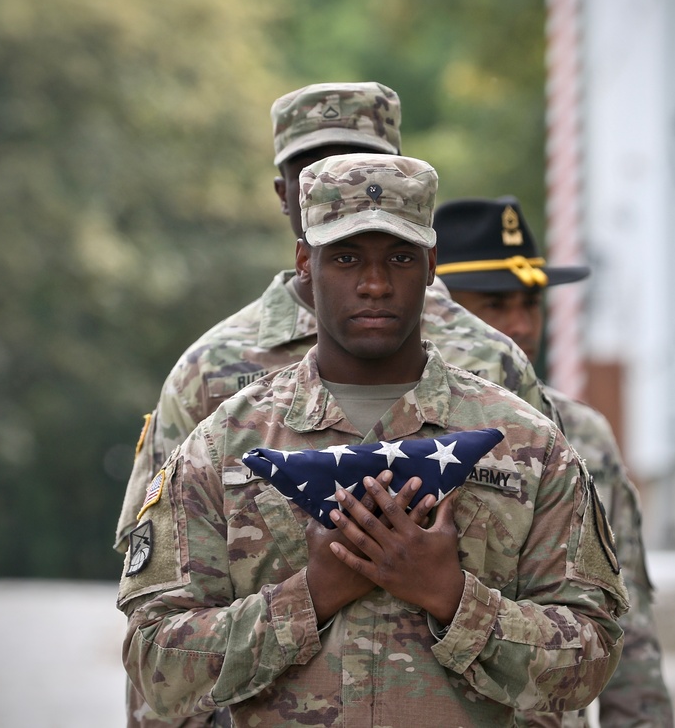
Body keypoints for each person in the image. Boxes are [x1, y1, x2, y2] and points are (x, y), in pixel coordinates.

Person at [117, 153, 628, 726]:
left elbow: (592, 657)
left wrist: (452, 598)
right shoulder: (223, 448)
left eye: (401, 257)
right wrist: (307, 598)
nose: (375, 283)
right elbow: (156, 664)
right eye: (346, 258)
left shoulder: (529, 446)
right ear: (305, 264)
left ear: (432, 266)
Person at [433, 196, 675, 727]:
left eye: (532, 303)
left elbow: (625, 619)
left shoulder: (580, 432)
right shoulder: (395, 428)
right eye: (495, 305)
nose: (520, 325)